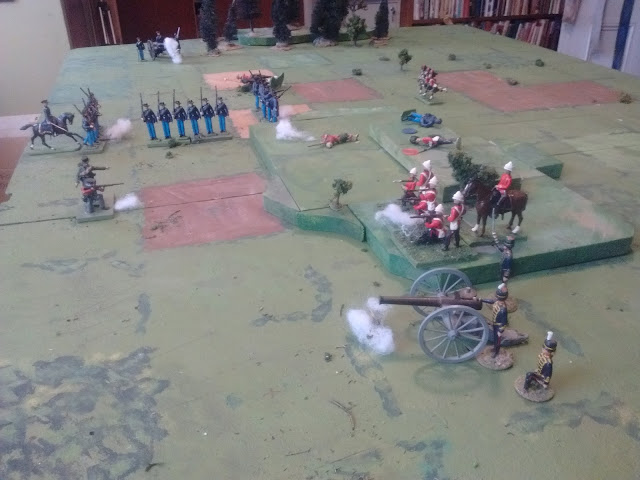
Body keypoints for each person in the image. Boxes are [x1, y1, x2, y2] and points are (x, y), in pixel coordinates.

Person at [480, 284, 509, 358]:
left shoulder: (503, 310)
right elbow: (491, 301)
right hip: (494, 324)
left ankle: (496, 352)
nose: (498, 301)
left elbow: (504, 322)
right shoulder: (497, 302)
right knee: (495, 338)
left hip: (499, 326)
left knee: (498, 340)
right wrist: (482, 300)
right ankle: (495, 348)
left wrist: (500, 331)